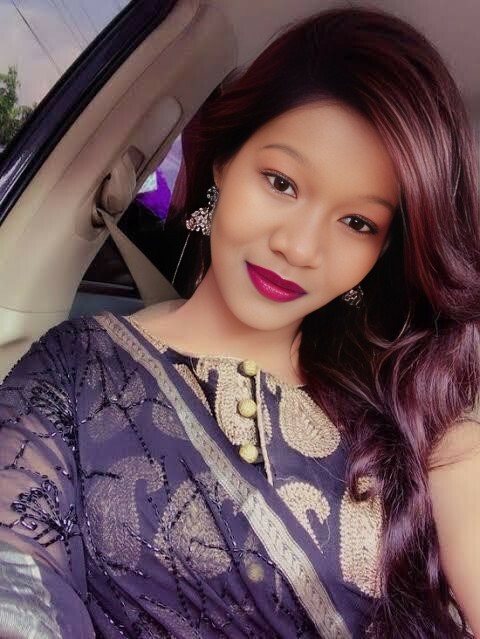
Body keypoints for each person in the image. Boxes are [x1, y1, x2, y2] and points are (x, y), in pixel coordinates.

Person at [0, 7, 478, 638]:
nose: (300, 247)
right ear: (224, 163)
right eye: (281, 182)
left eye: (357, 222)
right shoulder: (76, 369)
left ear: (382, 249)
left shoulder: (418, 408)